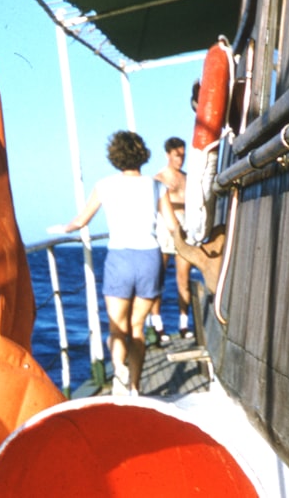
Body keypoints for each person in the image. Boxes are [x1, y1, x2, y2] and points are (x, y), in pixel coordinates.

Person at [48, 131, 182, 396]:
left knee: (116, 326)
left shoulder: (104, 185)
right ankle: (135, 386)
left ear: (115, 155)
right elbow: (172, 225)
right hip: (149, 258)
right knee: (137, 326)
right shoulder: (156, 186)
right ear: (142, 154)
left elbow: (80, 221)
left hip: (119, 258)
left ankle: (118, 368)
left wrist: (62, 228)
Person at [153, 136, 195, 340]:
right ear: (168, 155)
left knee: (183, 278)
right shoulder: (159, 178)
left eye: (183, 156)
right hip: (163, 230)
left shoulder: (188, 178)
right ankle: (158, 325)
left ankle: (184, 324)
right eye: (177, 156)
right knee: (157, 278)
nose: (181, 160)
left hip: (185, 229)